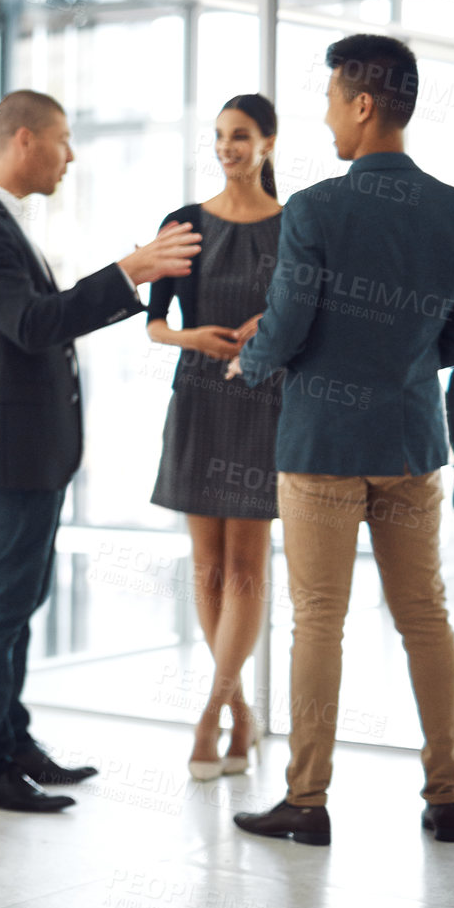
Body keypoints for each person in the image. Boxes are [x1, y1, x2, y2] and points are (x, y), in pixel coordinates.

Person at [229, 34, 454, 847]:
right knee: (426, 617)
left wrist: (253, 358)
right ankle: (445, 796)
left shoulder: (314, 208)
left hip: (320, 447)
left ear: (363, 103)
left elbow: (289, 325)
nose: (326, 115)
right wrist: (403, 361)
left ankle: (306, 801)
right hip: (411, 440)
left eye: (333, 99)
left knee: (317, 620)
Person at [0, 91, 201, 814]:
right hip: (15, 445)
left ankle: (10, 740)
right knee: (4, 598)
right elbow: (29, 323)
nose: (70, 155)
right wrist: (131, 271)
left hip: (32, 444)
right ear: (24, 140)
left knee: (21, 595)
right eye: (62, 139)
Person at [146, 95, 283, 781]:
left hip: (262, 399)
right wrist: (189, 336)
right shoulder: (184, 222)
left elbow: (305, 317)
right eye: (220, 136)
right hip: (199, 393)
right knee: (206, 566)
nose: (227, 147)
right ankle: (240, 715)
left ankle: (210, 715)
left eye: (241, 136)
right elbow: (153, 324)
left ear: (268, 144)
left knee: (246, 565)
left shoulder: (294, 227)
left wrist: (271, 327)